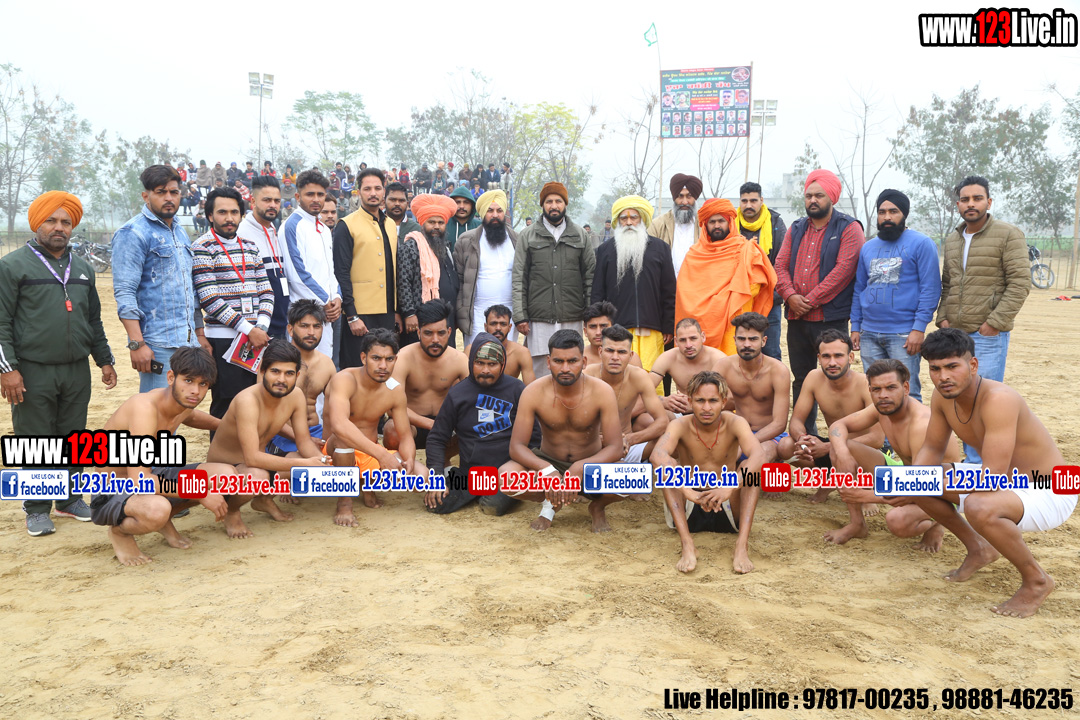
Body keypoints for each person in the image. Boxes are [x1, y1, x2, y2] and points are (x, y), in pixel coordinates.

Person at [908, 328, 1076, 617]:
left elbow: (992, 478)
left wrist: (901, 489)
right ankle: (979, 548)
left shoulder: (999, 399)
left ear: (972, 365)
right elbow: (932, 449)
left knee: (978, 504)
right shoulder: (942, 397)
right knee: (919, 480)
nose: (943, 376)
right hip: (1007, 482)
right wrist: (908, 484)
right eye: (935, 369)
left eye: (952, 366)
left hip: (1050, 488)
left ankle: (1037, 580)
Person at [0, 191, 117, 536]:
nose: (59, 227)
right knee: (36, 439)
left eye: (66, 222)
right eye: (51, 220)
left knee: (73, 437)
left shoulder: (83, 268)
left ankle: (69, 500)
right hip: (31, 369)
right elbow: (1, 322)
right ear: (37, 224)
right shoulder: (12, 266)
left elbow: (92, 320)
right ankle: (37, 509)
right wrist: (8, 369)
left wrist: (104, 359)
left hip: (76, 369)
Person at [90, 347, 232, 564]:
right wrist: (200, 492)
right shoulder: (144, 408)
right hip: (114, 489)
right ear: (171, 377)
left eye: (203, 384)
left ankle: (165, 521)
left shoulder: (183, 401)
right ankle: (120, 532)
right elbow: (139, 481)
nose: (195, 391)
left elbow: (192, 417)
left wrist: (228, 426)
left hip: (153, 474)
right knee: (158, 509)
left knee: (225, 476)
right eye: (188, 381)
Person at [936, 175, 1029, 464]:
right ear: (958, 204)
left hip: (987, 335)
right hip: (956, 335)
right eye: (965, 199)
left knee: (984, 400)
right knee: (962, 399)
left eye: (977, 198)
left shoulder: (1008, 234)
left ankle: (983, 465)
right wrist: (943, 317)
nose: (971, 204)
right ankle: (973, 461)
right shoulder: (953, 239)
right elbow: (948, 284)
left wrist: (994, 323)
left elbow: (1020, 283)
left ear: (989, 202)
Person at [829, 358, 961, 551]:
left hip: (939, 489)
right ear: (870, 390)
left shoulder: (921, 425)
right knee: (840, 446)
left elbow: (920, 485)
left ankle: (938, 524)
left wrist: (865, 495)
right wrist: (842, 454)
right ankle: (857, 524)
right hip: (907, 474)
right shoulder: (882, 408)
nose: (883, 395)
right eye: (876, 389)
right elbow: (838, 425)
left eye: (891, 387)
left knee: (898, 521)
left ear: (905, 388)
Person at [499, 330, 625, 532]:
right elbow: (516, 447)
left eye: (572, 361)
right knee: (506, 478)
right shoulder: (533, 392)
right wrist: (546, 470)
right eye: (558, 361)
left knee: (633, 479)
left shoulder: (602, 392)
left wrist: (580, 467)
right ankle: (550, 502)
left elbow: (615, 447)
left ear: (584, 362)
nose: (565, 368)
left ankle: (598, 506)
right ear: (549, 362)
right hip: (550, 462)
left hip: (590, 465)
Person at [205, 340, 329, 537]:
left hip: (258, 463)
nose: (282, 379)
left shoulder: (296, 395)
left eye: (289, 373)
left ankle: (263, 499)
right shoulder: (247, 401)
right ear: (262, 371)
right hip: (226, 472)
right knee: (259, 476)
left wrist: (321, 463)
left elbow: (304, 441)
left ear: (297, 376)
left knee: (307, 460)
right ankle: (232, 511)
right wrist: (305, 463)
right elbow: (252, 458)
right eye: (275, 372)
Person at [774, 169, 865, 433]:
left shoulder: (849, 227)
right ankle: (806, 437)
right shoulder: (796, 227)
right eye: (809, 195)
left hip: (830, 318)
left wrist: (809, 300)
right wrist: (790, 296)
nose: (813, 200)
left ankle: (846, 436)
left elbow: (843, 271)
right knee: (802, 378)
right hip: (797, 318)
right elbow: (780, 265)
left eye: (819, 195)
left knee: (836, 375)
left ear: (832, 197)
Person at [776, 329, 885, 543]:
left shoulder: (865, 384)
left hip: (863, 454)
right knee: (786, 446)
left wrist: (828, 447)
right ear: (819, 358)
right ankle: (829, 480)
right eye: (826, 356)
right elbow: (796, 420)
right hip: (834, 448)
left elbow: (877, 439)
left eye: (838, 356)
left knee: (841, 450)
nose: (832, 362)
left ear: (851, 357)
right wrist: (803, 440)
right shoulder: (814, 378)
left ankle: (864, 489)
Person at [650, 371, 765, 573]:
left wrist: (729, 487)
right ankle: (687, 544)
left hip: (728, 502)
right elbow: (657, 455)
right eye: (700, 401)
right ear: (689, 401)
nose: (706, 408)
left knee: (752, 473)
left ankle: (741, 546)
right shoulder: (679, 425)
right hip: (690, 504)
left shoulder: (735, 422)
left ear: (723, 401)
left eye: (713, 401)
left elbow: (759, 455)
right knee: (667, 468)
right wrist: (687, 491)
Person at [113, 165, 209, 391]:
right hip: (157, 344)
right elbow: (125, 292)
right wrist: (137, 344)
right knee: (156, 409)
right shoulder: (132, 233)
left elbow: (189, 289)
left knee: (181, 406)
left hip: (187, 342)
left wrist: (199, 334)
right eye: (161, 192)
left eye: (174, 192)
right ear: (146, 196)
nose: (169, 198)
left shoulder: (180, 232)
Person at [425, 333, 541, 515]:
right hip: (471, 474)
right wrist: (436, 479)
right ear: (471, 362)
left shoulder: (517, 389)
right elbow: (436, 438)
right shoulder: (457, 394)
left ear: (502, 364)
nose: (485, 370)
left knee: (493, 506)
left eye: (492, 364)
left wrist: (524, 469)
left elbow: (534, 437)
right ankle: (456, 478)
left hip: (506, 473)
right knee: (436, 503)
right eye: (479, 363)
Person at [322, 329, 422, 525]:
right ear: (363, 358)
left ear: (395, 360)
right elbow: (339, 425)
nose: (383, 366)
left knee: (422, 477)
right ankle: (344, 503)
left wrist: (409, 458)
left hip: (371, 453)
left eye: (389, 359)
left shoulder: (394, 389)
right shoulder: (345, 379)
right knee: (344, 437)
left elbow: (405, 435)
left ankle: (367, 485)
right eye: (376, 358)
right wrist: (382, 455)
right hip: (333, 455)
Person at [850, 189, 941, 402]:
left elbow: (931, 289)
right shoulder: (868, 247)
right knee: (876, 393)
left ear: (904, 214)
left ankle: (911, 427)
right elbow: (859, 288)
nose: (887, 217)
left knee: (907, 393)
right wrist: (855, 326)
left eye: (893, 211)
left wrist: (918, 328)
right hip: (869, 333)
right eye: (882, 212)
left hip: (904, 335)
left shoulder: (922, 243)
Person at [192, 187, 273, 420]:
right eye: (222, 212)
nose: (229, 218)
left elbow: (266, 291)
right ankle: (223, 446)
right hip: (224, 338)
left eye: (234, 212)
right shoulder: (202, 247)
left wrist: (261, 328)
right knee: (227, 406)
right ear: (210, 216)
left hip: (257, 338)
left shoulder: (250, 246)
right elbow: (210, 299)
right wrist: (249, 330)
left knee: (257, 402)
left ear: (241, 215)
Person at [513, 182, 594, 379]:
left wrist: (591, 315)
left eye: (558, 201)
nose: (554, 206)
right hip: (539, 318)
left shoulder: (580, 235)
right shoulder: (528, 235)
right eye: (549, 201)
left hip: (572, 315)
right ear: (542, 205)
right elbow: (519, 276)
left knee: (571, 366)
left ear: (565, 204)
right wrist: (520, 316)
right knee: (541, 369)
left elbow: (590, 276)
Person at [675, 198, 775, 355]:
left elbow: (755, 285)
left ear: (730, 222)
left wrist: (724, 300)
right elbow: (684, 293)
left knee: (731, 364)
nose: (717, 225)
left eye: (721, 221)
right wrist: (716, 304)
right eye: (712, 222)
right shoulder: (693, 255)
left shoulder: (747, 249)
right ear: (705, 224)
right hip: (700, 325)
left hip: (733, 321)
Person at [591, 195, 675, 374]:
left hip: (653, 327)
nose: (629, 222)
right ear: (618, 221)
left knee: (653, 376)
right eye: (624, 218)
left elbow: (669, 291)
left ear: (642, 219)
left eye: (633, 217)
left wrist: (668, 326)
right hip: (616, 329)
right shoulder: (605, 250)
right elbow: (598, 292)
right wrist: (599, 325)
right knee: (618, 376)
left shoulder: (661, 248)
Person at [333, 168, 401, 369]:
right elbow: (341, 272)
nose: (373, 193)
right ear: (358, 192)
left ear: (384, 191)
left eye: (377, 188)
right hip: (360, 313)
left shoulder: (390, 224)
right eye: (367, 189)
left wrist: (396, 311)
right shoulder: (346, 225)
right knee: (357, 367)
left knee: (383, 367)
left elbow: (392, 269)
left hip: (387, 312)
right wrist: (352, 315)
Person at [382, 299, 469, 452]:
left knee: (473, 424)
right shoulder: (402, 358)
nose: (435, 340)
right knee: (392, 430)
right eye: (428, 333)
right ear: (419, 333)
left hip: (446, 425)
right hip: (411, 423)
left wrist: (454, 422)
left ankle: (444, 460)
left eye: (441, 333)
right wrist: (431, 424)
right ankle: (403, 463)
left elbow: (474, 400)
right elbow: (391, 407)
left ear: (449, 332)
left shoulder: (459, 360)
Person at [712, 312, 791, 463]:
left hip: (768, 436)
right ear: (735, 340)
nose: (747, 344)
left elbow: (779, 424)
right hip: (736, 433)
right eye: (742, 339)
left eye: (753, 339)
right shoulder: (723, 366)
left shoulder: (778, 371)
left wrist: (746, 441)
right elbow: (708, 404)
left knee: (758, 458)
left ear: (764, 341)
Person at [267, 301, 336, 470]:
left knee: (344, 454)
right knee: (310, 466)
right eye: (304, 326)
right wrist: (304, 439)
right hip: (282, 434)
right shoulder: (275, 362)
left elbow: (331, 411)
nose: (311, 332)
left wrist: (326, 442)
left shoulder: (327, 364)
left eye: (316, 326)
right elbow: (266, 413)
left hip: (316, 431)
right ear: (290, 329)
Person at [584, 325, 668, 463]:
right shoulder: (587, 376)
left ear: (630, 355)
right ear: (600, 352)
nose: (615, 357)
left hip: (627, 446)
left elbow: (662, 421)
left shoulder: (639, 376)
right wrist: (598, 440)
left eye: (622, 352)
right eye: (610, 351)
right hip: (592, 447)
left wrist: (631, 439)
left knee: (672, 437)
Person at [283, 170, 340, 358]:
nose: (316, 199)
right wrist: (326, 301)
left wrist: (337, 297)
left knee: (324, 365)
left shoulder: (323, 229)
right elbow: (297, 274)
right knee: (301, 366)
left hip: (326, 313)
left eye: (320, 194)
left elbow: (330, 271)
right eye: (310, 194)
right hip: (304, 314)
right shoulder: (292, 226)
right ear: (298, 197)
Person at [454, 190, 519, 346]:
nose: (495, 215)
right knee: (478, 354)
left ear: (505, 213)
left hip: (510, 312)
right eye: (490, 211)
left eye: (499, 210)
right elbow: (459, 280)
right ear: (482, 213)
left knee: (508, 355)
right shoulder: (466, 240)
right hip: (477, 312)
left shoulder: (517, 239)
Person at [397, 194, 461, 344]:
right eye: (431, 222)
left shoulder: (445, 249)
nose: (436, 226)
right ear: (422, 224)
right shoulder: (411, 247)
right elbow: (403, 282)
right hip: (420, 318)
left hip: (445, 317)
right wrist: (409, 313)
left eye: (441, 222)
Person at [735, 182, 787, 361]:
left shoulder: (775, 223)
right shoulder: (731, 223)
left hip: (769, 297)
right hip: (740, 297)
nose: (748, 205)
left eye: (753, 200)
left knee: (770, 350)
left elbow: (782, 261)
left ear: (761, 200)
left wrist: (774, 292)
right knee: (740, 350)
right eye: (744, 201)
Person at [238, 175, 292, 339]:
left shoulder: (274, 230)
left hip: (280, 324)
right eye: (267, 200)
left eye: (277, 201)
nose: (273, 205)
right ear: (253, 202)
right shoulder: (241, 234)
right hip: (257, 330)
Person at [649, 318, 723, 415]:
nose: (688, 345)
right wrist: (663, 401)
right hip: (681, 413)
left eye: (693, 338)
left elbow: (732, 398)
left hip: (712, 413)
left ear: (703, 337)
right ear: (676, 341)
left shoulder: (718, 359)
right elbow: (643, 390)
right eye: (683, 340)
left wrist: (695, 405)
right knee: (645, 419)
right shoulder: (668, 357)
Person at [646, 173, 702, 277]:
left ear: (695, 198)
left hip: (697, 284)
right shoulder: (657, 225)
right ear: (674, 197)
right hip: (665, 285)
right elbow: (648, 259)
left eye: (689, 196)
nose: (684, 202)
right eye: (680, 196)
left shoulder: (704, 225)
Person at [464, 305, 534, 384]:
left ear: (509, 327)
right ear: (486, 327)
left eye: (503, 324)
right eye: (493, 324)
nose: (498, 328)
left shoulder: (521, 353)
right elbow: (464, 384)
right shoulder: (471, 350)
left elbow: (530, 387)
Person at [582, 301, 642, 369]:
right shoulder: (579, 358)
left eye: (603, 326)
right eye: (593, 327)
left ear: (613, 327)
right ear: (585, 331)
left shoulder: (631, 359)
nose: (598, 332)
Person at [445, 184, 481, 254]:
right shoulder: (443, 225)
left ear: (472, 205)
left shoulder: (480, 227)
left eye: (466, 202)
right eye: (458, 202)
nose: (461, 206)